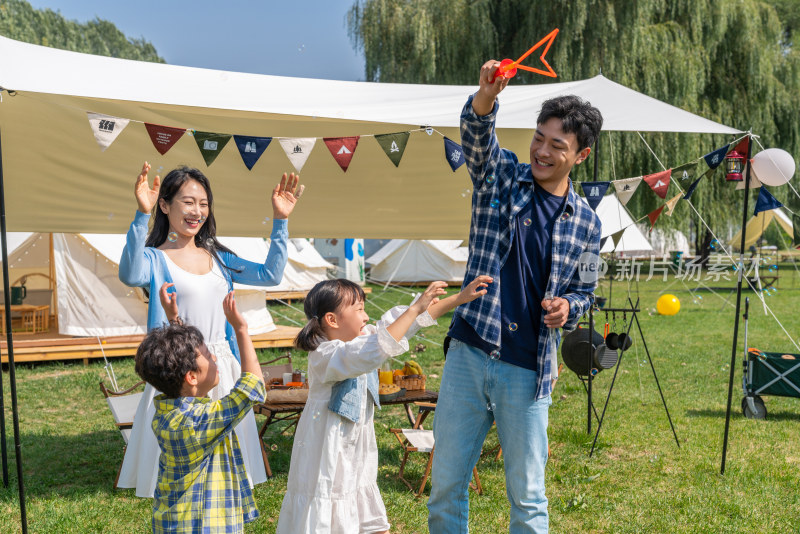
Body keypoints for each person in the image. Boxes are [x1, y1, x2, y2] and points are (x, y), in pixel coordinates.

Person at [427, 61, 603, 533]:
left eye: (557, 145)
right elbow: (478, 133)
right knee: (445, 487)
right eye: (539, 138)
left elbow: (587, 290)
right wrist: (486, 94)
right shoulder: (502, 176)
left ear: (580, 155)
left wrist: (569, 307)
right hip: (470, 351)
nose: (542, 151)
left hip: (529, 370)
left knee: (527, 498)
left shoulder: (588, 223)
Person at [118, 162, 302, 497]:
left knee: (226, 471)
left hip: (222, 367)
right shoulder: (155, 259)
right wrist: (140, 214)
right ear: (164, 205)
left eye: (203, 204)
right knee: (181, 472)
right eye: (188, 202)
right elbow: (130, 274)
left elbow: (270, 276)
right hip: (181, 371)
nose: (197, 211)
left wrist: (281, 221)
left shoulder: (218, 256)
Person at [277, 276, 492, 534]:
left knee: (367, 514)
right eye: (359, 310)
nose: (366, 317)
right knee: (331, 514)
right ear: (332, 320)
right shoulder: (325, 355)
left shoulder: (360, 339)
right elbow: (374, 350)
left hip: (354, 449)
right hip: (328, 452)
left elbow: (406, 325)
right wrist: (414, 308)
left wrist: (459, 298)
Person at [135, 288, 265, 533]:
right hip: (203, 525)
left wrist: (173, 318)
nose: (214, 356)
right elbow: (253, 388)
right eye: (208, 355)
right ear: (192, 376)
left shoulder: (168, 413)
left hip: (175, 522)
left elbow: (180, 357)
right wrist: (241, 330)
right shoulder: (199, 423)